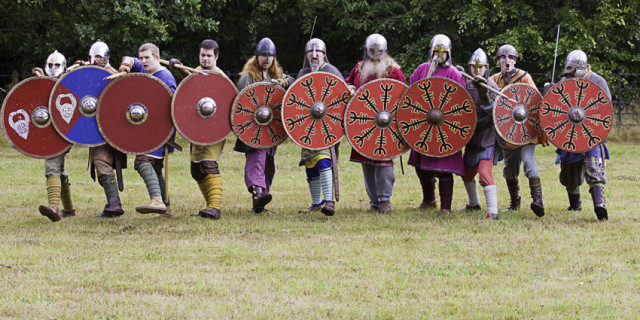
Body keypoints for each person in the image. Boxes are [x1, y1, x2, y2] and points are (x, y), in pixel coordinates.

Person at [345, 34, 406, 214]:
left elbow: (402, 95)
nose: (375, 55)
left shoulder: (393, 71)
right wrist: (349, 87)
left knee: (384, 164)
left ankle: (384, 200)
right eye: (372, 52)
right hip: (362, 124)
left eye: (379, 52)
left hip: (386, 125)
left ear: (385, 52)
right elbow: (349, 83)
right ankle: (374, 201)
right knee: (367, 164)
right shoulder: (358, 69)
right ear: (366, 51)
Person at [168, 39, 227, 220]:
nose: (205, 59)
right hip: (197, 126)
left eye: (209, 56)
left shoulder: (220, 77)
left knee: (208, 163)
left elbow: (226, 102)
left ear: (216, 57)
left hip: (214, 127)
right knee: (196, 169)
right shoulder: (197, 71)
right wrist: (179, 69)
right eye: (203, 55)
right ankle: (209, 205)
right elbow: (190, 86)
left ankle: (215, 208)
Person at [233, 37, 292, 214]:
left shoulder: (276, 76)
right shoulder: (248, 78)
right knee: (256, 160)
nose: (266, 59)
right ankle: (257, 194)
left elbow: (293, 82)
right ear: (257, 57)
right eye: (263, 55)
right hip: (253, 127)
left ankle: (261, 200)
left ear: (274, 58)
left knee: (268, 164)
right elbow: (241, 104)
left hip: (270, 127)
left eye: (270, 56)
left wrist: (285, 81)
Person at [409, 34, 465, 216]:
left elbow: (460, 103)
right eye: (436, 52)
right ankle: (429, 200)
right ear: (431, 51)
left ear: (449, 54)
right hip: (423, 125)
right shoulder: (422, 70)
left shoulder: (454, 74)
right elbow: (411, 94)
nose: (439, 55)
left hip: (445, 127)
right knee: (421, 166)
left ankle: (446, 207)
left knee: (444, 169)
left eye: (443, 52)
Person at [119, 43, 177, 218]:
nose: (143, 61)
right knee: (155, 167)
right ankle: (167, 210)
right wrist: (126, 65)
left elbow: (171, 107)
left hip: (161, 131)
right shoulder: (144, 69)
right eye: (141, 58)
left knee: (143, 162)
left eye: (147, 58)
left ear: (157, 58)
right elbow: (130, 59)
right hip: (146, 130)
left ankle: (157, 200)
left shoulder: (165, 78)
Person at [551, 50, 610, 220]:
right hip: (569, 134)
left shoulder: (597, 81)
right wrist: (550, 91)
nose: (568, 75)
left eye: (571, 71)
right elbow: (555, 108)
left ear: (579, 69)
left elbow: (605, 108)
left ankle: (600, 205)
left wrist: (598, 131)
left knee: (594, 168)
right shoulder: (564, 82)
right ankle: (575, 204)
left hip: (590, 134)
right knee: (569, 175)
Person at [489, 44, 546, 217]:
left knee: (529, 162)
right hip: (508, 132)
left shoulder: (524, 78)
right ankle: (515, 202)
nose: (507, 61)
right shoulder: (495, 79)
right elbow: (487, 95)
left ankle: (538, 200)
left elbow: (535, 100)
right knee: (510, 170)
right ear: (498, 60)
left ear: (515, 60)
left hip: (526, 131)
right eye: (503, 58)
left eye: (511, 58)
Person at [295, 38, 342, 216]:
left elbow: (341, 98)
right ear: (306, 54)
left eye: (318, 52)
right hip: (308, 125)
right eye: (310, 52)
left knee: (323, 160)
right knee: (310, 163)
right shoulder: (303, 72)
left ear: (324, 53)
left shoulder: (331, 71)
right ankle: (316, 203)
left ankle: (329, 202)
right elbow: (296, 99)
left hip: (327, 125)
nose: (314, 55)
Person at [81, 40, 128, 218]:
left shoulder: (114, 75)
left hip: (110, 129)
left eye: (99, 56)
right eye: (92, 56)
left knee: (101, 162)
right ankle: (113, 202)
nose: (94, 60)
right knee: (100, 162)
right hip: (95, 128)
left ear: (106, 57)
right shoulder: (88, 72)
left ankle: (115, 203)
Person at [32, 50, 76, 222]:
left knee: (51, 165)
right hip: (49, 133)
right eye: (50, 65)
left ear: (63, 66)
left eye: (57, 65)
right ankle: (69, 209)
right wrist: (39, 81)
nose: (53, 68)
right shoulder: (46, 82)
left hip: (64, 133)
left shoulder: (68, 83)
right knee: (60, 170)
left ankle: (53, 207)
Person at [458, 48, 502, 219]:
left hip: (487, 136)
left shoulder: (491, 85)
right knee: (467, 174)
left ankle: (493, 211)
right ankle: (474, 204)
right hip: (471, 135)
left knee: (484, 173)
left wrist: (484, 95)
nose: (477, 71)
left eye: (480, 67)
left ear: (486, 68)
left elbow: (495, 111)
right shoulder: (466, 84)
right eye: (474, 67)